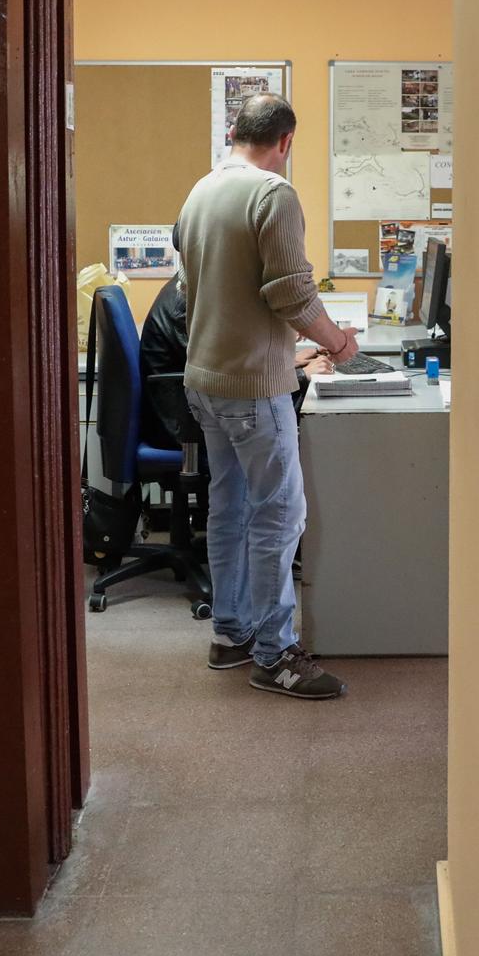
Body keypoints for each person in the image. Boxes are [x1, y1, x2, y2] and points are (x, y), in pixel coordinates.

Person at [172, 93, 358, 699]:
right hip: (253, 389)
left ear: (234, 132)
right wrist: (338, 342)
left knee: (230, 510)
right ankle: (276, 656)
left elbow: (192, 287)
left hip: (205, 381)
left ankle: (231, 634)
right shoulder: (271, 194)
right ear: (285, 142)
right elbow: (290, 294)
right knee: (280, 516)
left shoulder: (201, 190)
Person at [137, 273, 332, 449]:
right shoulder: (185, 304)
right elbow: (228, 372)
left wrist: (289, 362)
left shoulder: (190, 289)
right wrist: (300, 375)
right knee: (294, 421)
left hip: (190, 408)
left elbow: (233, 354)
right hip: (182, 424)